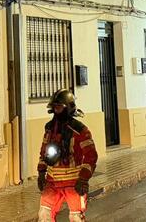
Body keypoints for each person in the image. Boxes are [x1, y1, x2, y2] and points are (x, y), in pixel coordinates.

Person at [37, 89, 98, 222]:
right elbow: (43, 152)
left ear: (68, 108)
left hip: (73, 182)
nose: (56, 110)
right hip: (52, 181)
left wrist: (83, 179)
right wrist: (41, 173)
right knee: (44, 215)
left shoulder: (80, 130)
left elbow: (91, 156)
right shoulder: (49, 128)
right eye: (54, 107)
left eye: (59, 107)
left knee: (76, 217)